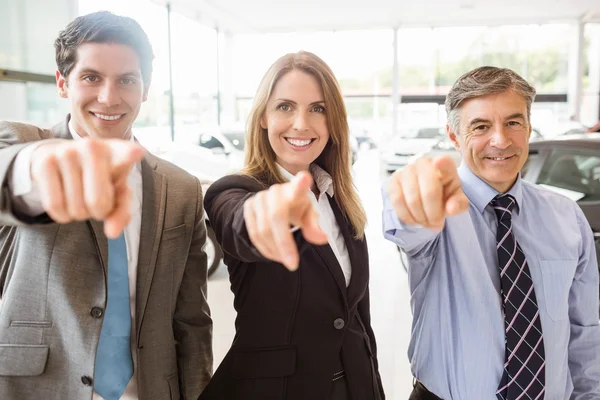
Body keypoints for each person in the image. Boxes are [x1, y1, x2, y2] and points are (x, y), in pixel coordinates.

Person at [0, 11, 212, 400]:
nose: (109, 98)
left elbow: (191, 322)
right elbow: (6, 175)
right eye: (91, 77)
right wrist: (37, 167)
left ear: (145, 88)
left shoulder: (181, 189)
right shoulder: (24, 145)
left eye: (126, 80)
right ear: (63, 83)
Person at [382, 66, 600, 399]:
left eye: (513, 122)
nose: (500, 140)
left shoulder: (567, 217)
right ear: (454, 136)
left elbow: (586, 333)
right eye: (481, 126)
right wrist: (408, 193)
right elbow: (407, 223)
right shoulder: (439, 209)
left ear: (528, 128)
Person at [200, 51, 384, 400]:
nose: (301, 123)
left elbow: (357, 317)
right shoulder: (235, 191)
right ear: (264, 118)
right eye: (285, 106)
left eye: (318, 108)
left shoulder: (339, 198)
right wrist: (268, 212)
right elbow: (241, 223)